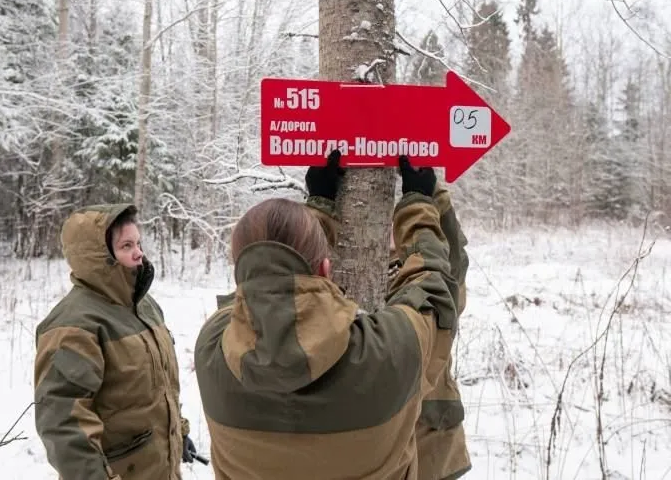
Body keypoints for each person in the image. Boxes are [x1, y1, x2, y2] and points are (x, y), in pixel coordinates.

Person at [195, 151, 461, 480]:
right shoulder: (389, 350)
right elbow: (433, 288)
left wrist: (317, 206)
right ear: (325, 269)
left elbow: (260, 290)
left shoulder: (212, 349)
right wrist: (418, 203)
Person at [33, 204, 196, 480]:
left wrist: (178, 431)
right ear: (99, 257)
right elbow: (63, 425)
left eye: (138, 242)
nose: (138, 252)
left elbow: (161, 386)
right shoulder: (73, 326)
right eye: (126, 245)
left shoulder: (146, 308)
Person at [388, 186, 472, 479]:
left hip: (430, 440)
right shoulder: (347, 270)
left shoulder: (435, 277)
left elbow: (453, 261)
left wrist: (432, 195)